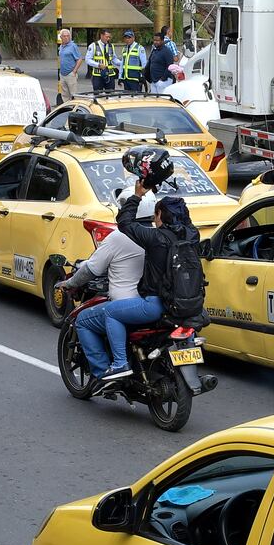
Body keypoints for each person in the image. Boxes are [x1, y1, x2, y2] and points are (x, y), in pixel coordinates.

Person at [107, 150, 199, 380]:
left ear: (159, 216)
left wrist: (138, 195)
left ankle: (120, 364)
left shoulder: (155, 237)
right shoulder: (192, 235)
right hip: (190, 306)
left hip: (158, 305)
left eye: (156, 215)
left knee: (110, 313)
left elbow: (124, 222)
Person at [56, 190, 157, 381]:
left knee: (83, 320)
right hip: (157, 303)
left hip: (129, 304)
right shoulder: (158, 234)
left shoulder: (118, 237)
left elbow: (91, 269)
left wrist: (69, 283)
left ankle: (104, 374)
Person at [56, 28, 82, 104]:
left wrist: (74, 71)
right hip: (62, 74)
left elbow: (79, 59)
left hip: (70, 73)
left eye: (68, 36)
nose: (66, 37)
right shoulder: (61, 46)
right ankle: (67, 108)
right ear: (61, 37)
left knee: (73, 94)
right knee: (64, 95)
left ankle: (75, 107)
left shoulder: (73, 46)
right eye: (64, 36)